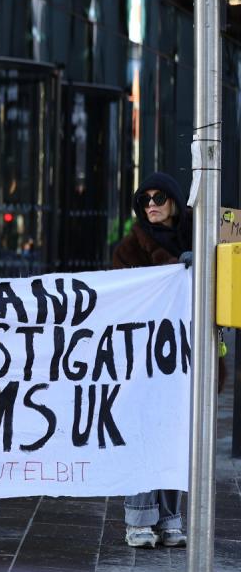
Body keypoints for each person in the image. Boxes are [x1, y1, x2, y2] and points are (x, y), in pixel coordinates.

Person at [111, 171, 191, 549]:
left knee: (176, 435)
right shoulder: (128, 250)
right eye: (145, 200)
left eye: (159, 197)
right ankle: (139, 519)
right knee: (143, 433)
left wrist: (198, 268)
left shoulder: (199, 241)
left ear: (174, 200)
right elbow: (117, 302)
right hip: (142, 358)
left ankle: (171, 519)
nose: (152, 205)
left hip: (187, 358)